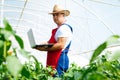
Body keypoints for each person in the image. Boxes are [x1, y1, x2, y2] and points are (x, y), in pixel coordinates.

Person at [35, 4, 73, 76]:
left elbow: (60, 45)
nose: (55, 17)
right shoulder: (58, 29)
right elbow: (51, 42)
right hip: (55, 60)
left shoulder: (64, 28)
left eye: (57, 14)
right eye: (53, 15)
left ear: (63, 14)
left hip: (59, 60)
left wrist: (43, 48)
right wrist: (42, 44)